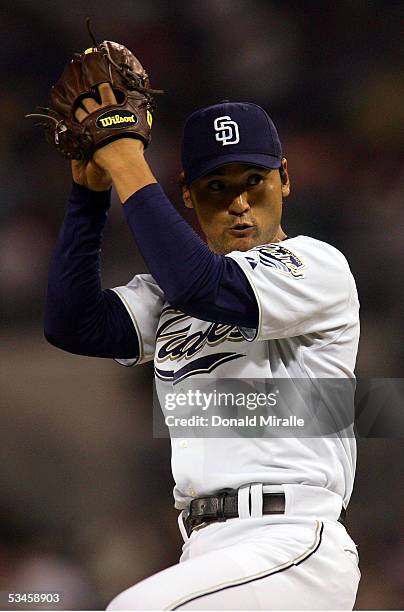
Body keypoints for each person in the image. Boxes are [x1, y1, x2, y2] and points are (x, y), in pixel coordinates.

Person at [45, 88, 361, 610]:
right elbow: (72, 324)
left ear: (284, 177)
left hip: (289, 539)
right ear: (187, 194)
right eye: (217, 186)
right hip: (207, 549)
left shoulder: (316, 266)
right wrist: (88, 194)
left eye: (253, 182)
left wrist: (125, 157)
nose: (238, 202)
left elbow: (202, 286)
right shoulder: (169, 294)